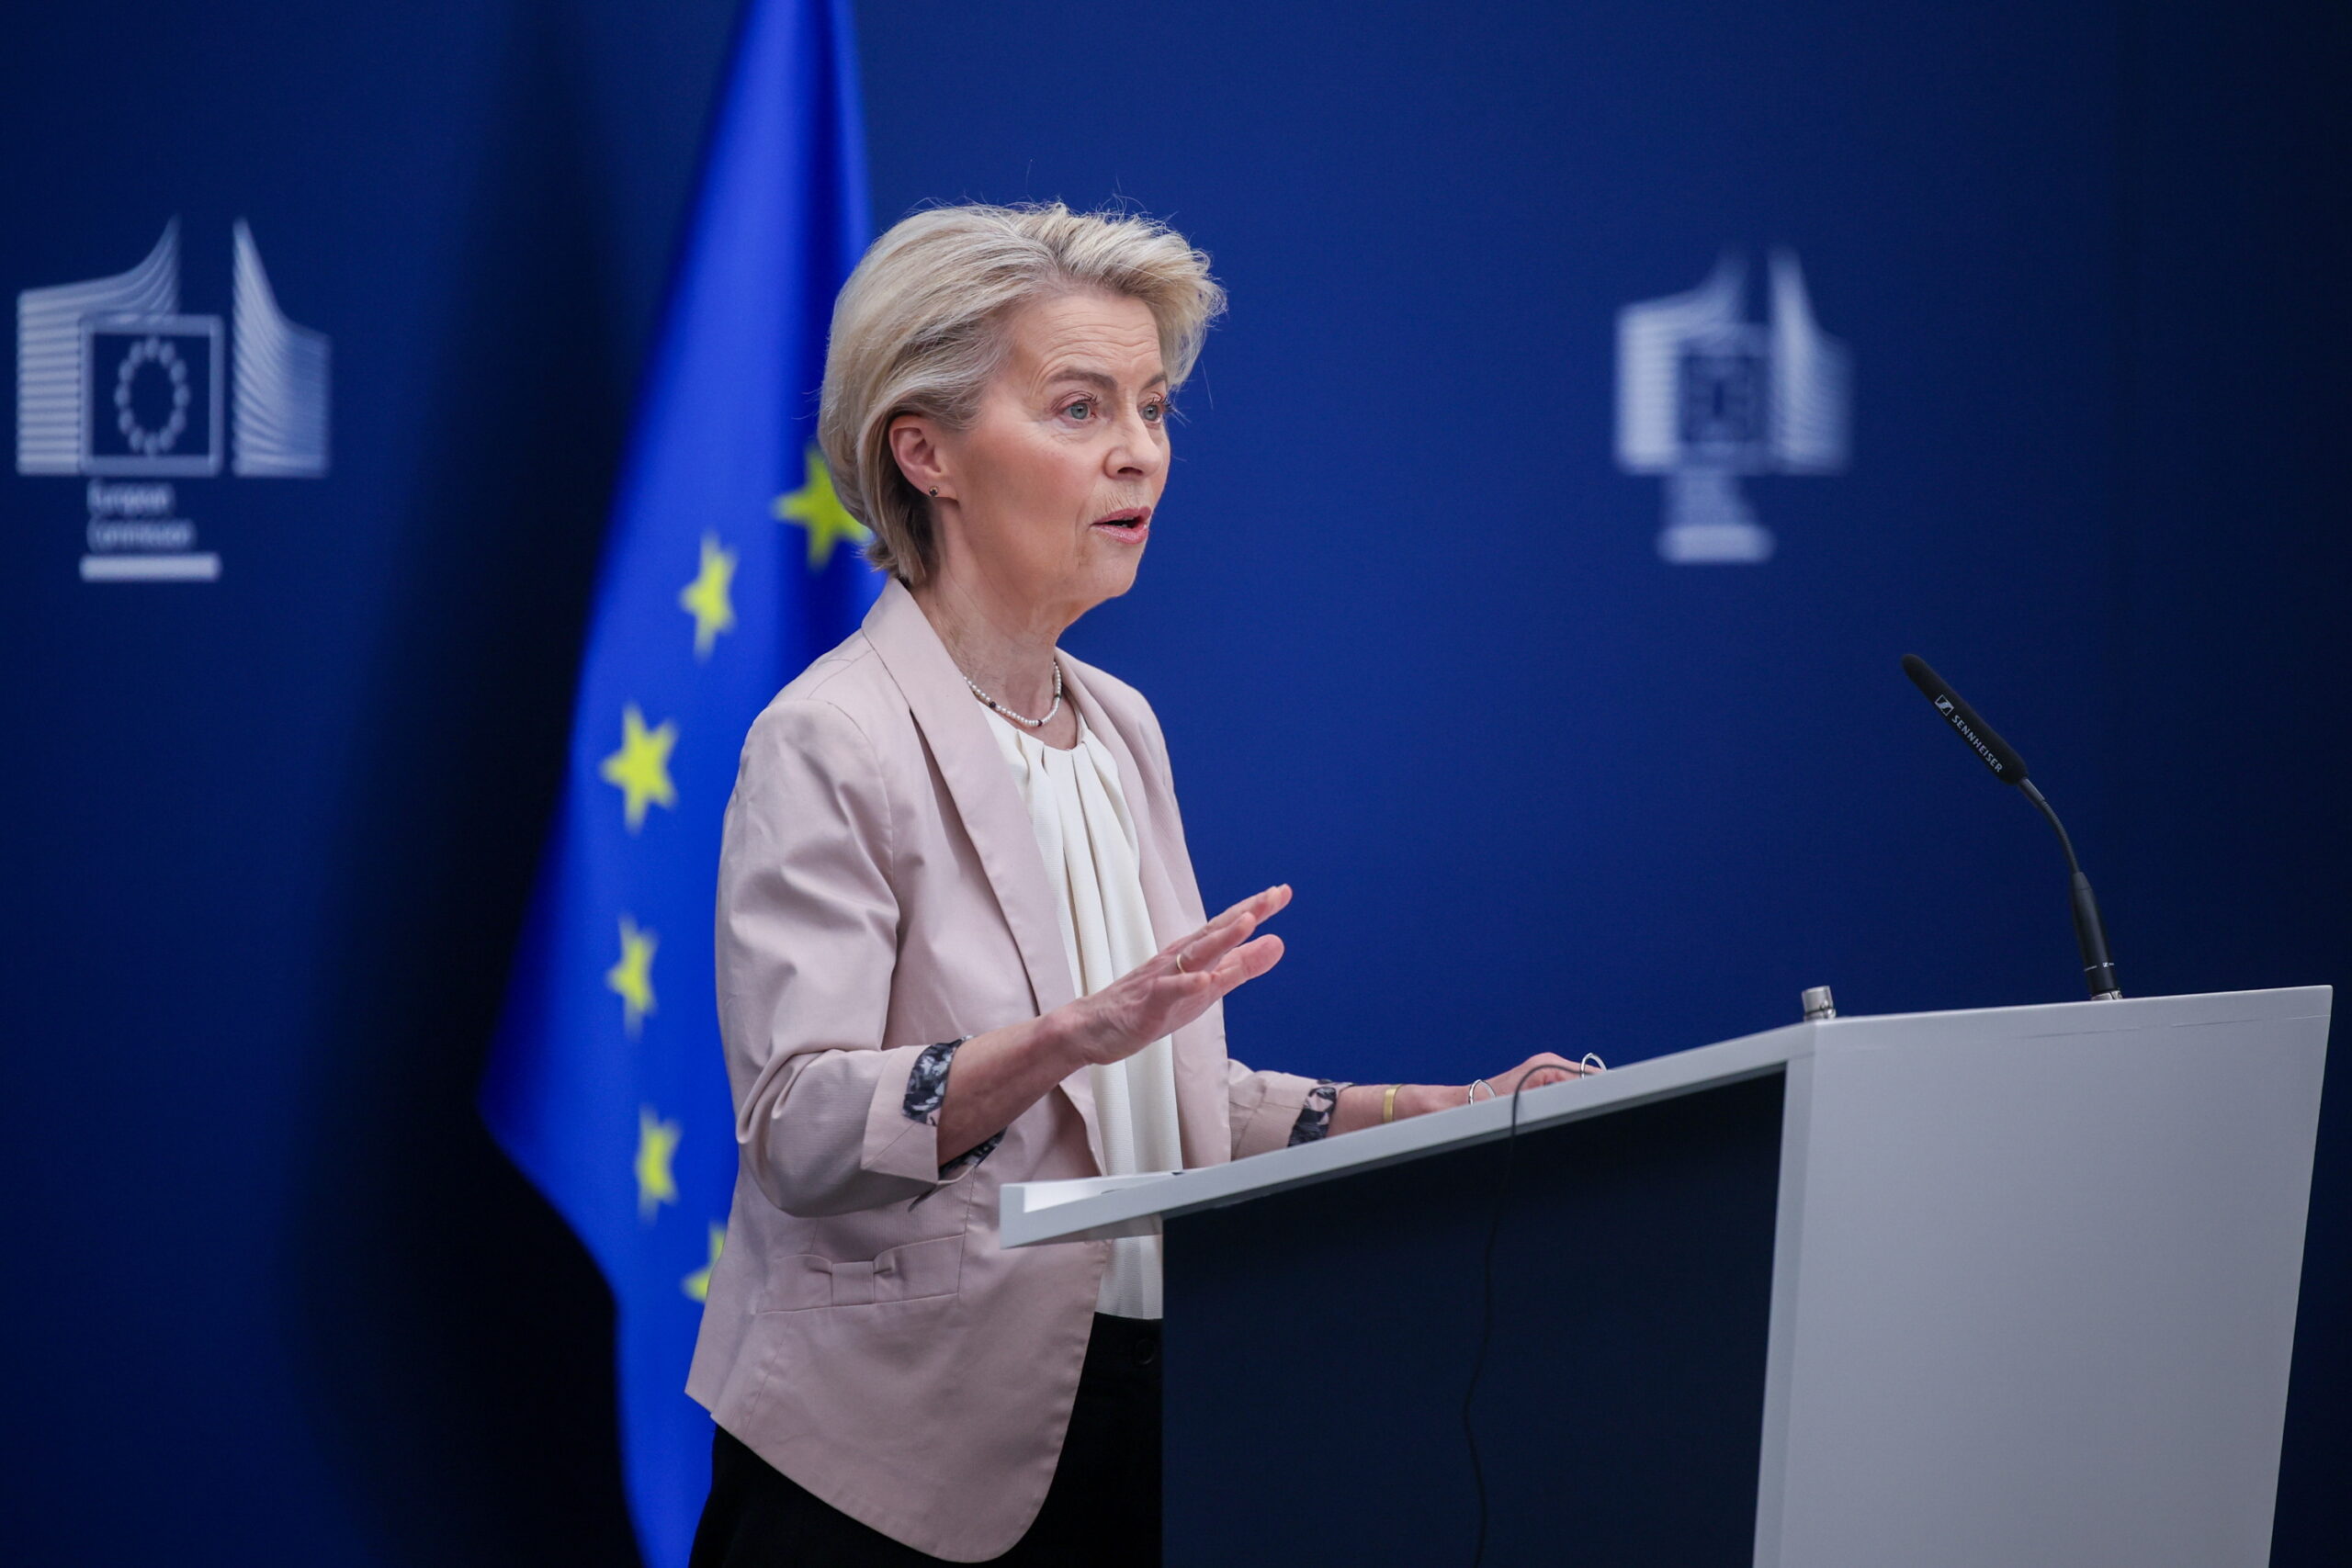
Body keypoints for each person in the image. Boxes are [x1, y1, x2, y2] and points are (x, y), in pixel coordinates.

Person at [685, 202, 1597, 1566]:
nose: (1140, 452)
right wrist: (1065, 1039)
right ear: (924, 452)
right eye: (1079, 407)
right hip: (881, 1461)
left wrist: (1437, 1111)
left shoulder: (1120, 727)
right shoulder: (831, 736)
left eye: (1153, 408)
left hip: (1136, 1423)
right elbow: (800, 1129)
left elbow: (1157, 1108)